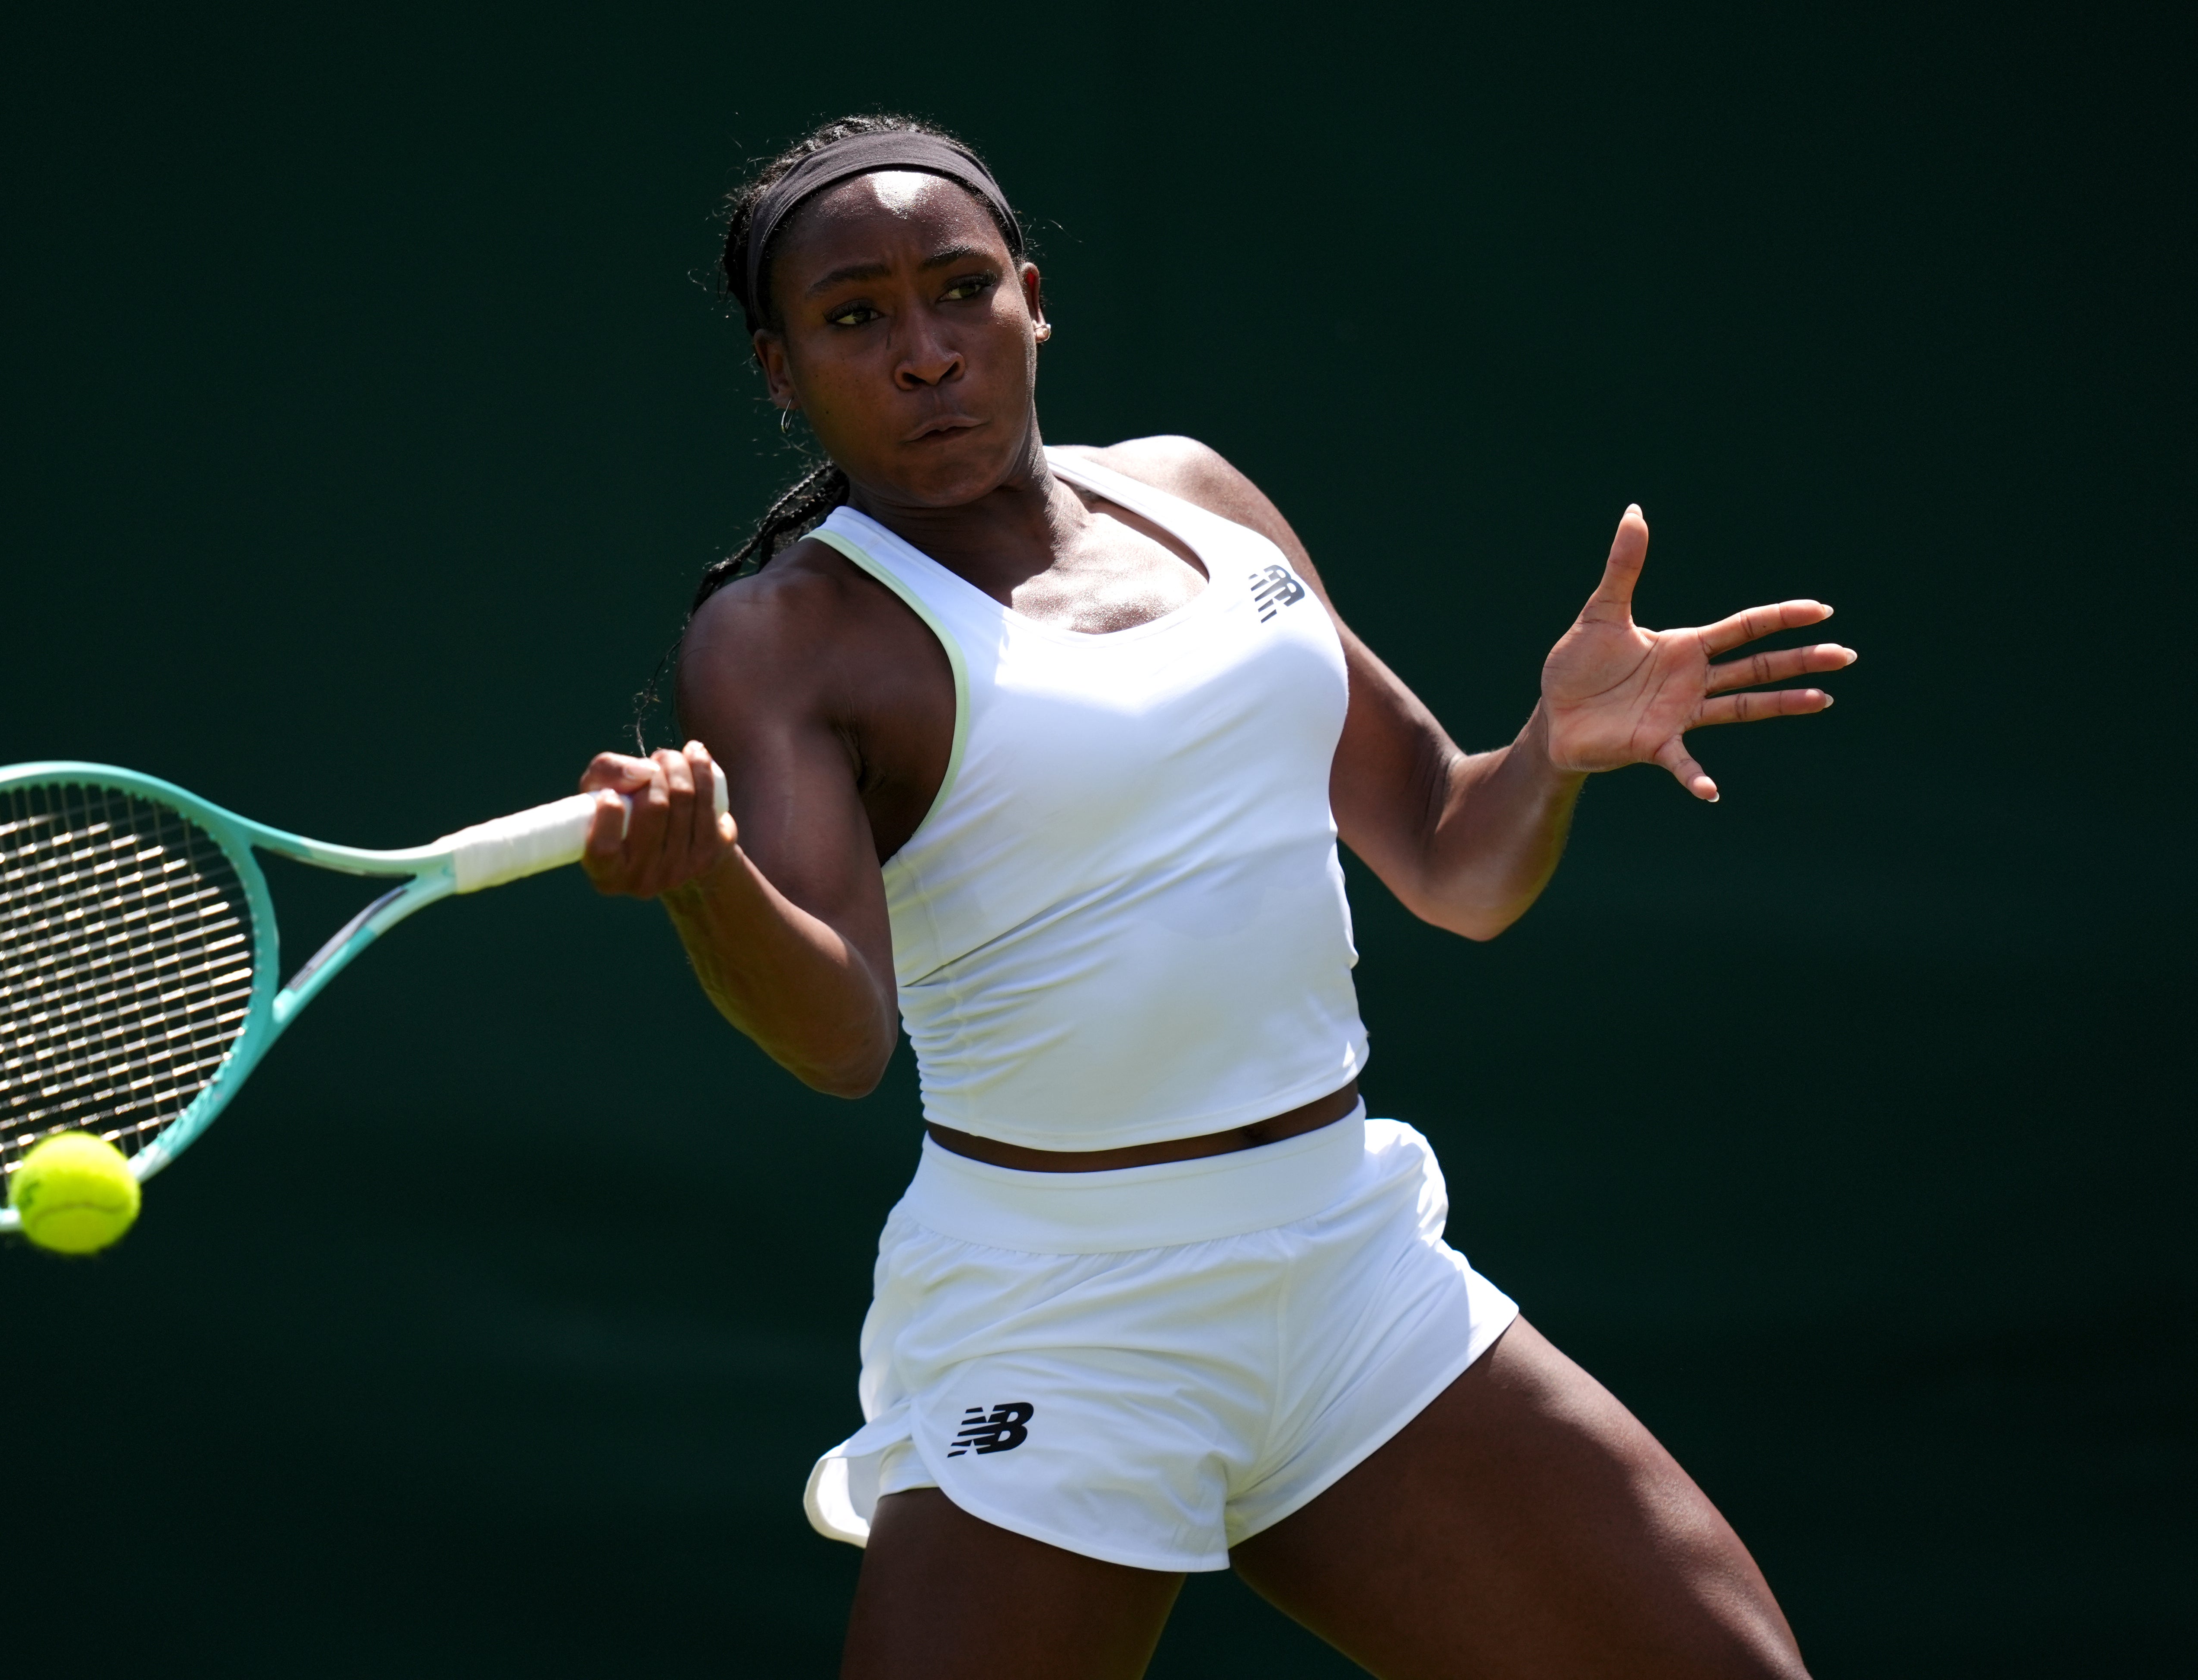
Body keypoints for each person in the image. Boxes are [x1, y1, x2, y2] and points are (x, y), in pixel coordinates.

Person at [578, 115, 1850, 1680]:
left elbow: (1454, 855)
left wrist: (1557, 750)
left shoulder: (1198, 497)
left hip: (1350, 1263)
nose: (924, 352)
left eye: (961, 291)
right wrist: (708, 882)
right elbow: (840, 1033)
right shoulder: (787, 637)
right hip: (1060, 1320)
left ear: (1033, 299)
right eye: (856, 318)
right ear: (783, 371)